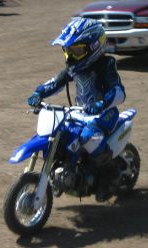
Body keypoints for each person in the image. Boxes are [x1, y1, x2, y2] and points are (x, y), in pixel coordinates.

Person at [28, 17, 126, 200]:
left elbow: (118, 91)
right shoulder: (75, 69)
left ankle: (110, 174)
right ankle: (64, 170)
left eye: (76, 50)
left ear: (94, 46)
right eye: (68, 51)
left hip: (105, 112)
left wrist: (102, 103)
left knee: (88, 136)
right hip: (81, 113)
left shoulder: (106, 65)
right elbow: (55, 83)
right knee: (61, 132)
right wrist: (39, 93)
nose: (70, 56)